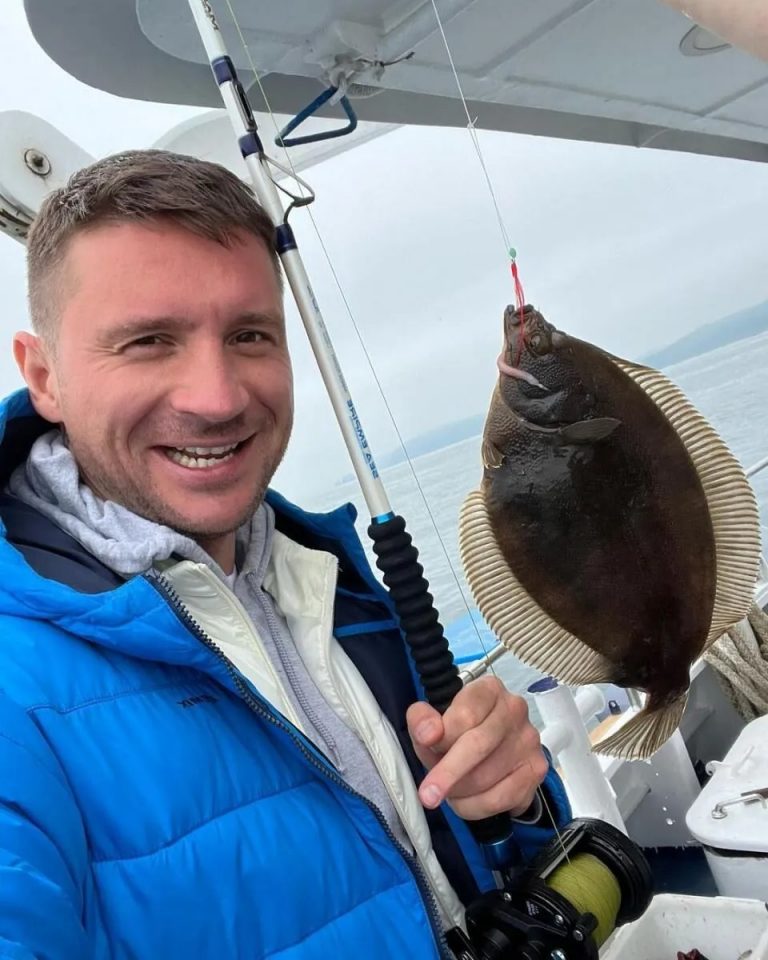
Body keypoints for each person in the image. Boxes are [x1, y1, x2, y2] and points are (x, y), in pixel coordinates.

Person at [0, 150, 570, 959]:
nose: (218, 397)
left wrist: (513, 797)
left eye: (249, 335)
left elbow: (477, 860)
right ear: (44, 375)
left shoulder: (333, 580)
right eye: (149, 341)